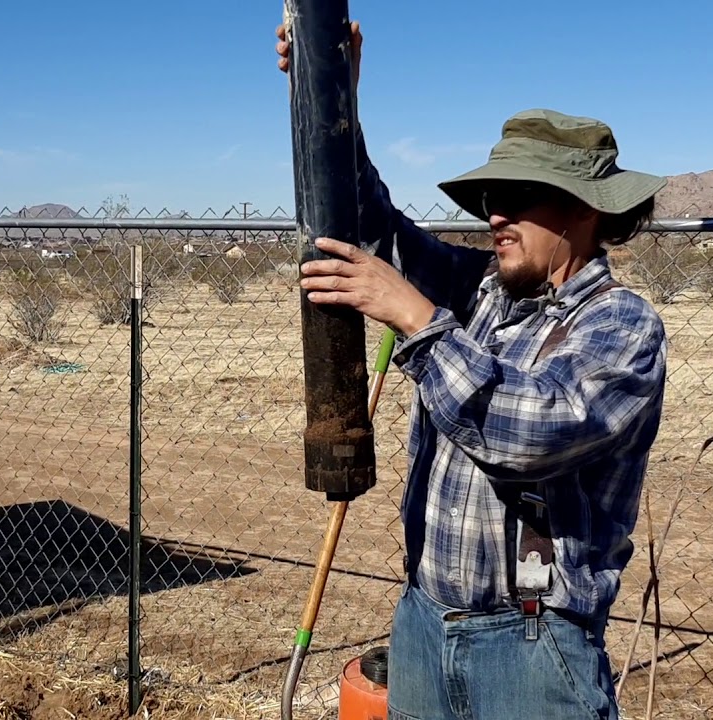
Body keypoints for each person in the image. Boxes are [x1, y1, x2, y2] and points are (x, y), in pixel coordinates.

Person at [277, 22, 668, 720]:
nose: (495, 213)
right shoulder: (479, 291)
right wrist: (333, 91)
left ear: (581, 211)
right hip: (425, 627)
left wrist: (419, 322)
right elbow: (372, 227)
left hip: (532, 647)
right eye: (491, 196)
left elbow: (529, 432)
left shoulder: (621, 326)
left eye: (519, 195)